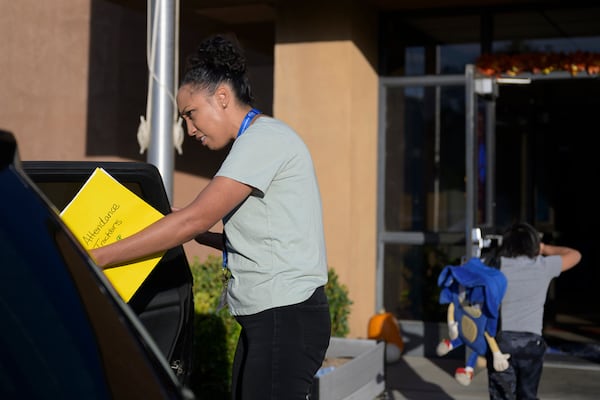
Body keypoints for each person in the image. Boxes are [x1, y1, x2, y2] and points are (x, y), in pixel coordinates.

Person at [91, 34, 331, 400]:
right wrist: (200, 233)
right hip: (277, 317)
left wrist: (96, 258)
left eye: (190, 115)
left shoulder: (262, 141)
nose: (188, 130)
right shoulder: (260, 141)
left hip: (286, 316)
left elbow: (195, 218)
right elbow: (270, 237)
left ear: (221, 97)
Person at [486, 222, 582, 400]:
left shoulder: (496, 267)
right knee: (528, 394)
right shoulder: (543, 265)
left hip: (502, 341)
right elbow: (575, 255)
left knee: (501, 394)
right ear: (533, 244)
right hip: (531, 343)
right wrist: (544, 248)